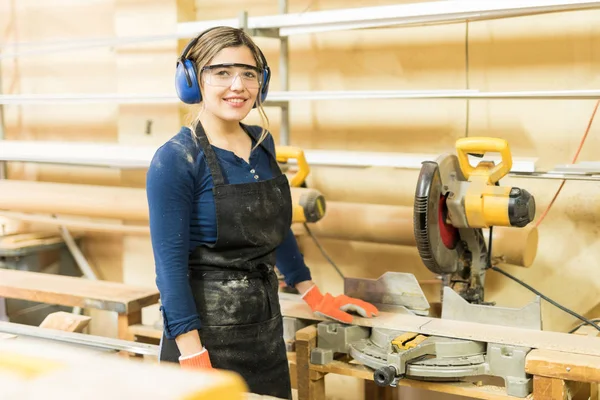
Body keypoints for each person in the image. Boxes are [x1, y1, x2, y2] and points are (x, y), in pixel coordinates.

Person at [146, 26, 379, 399]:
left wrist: (312, 293)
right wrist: (194, 360)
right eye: (221, 72)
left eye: (249, 73)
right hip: (202, 338)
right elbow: (169, 270)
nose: (237, 85)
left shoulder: (262, 142)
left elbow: (277, 229)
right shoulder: (176, 159)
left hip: (265, 332)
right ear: (192, 80)